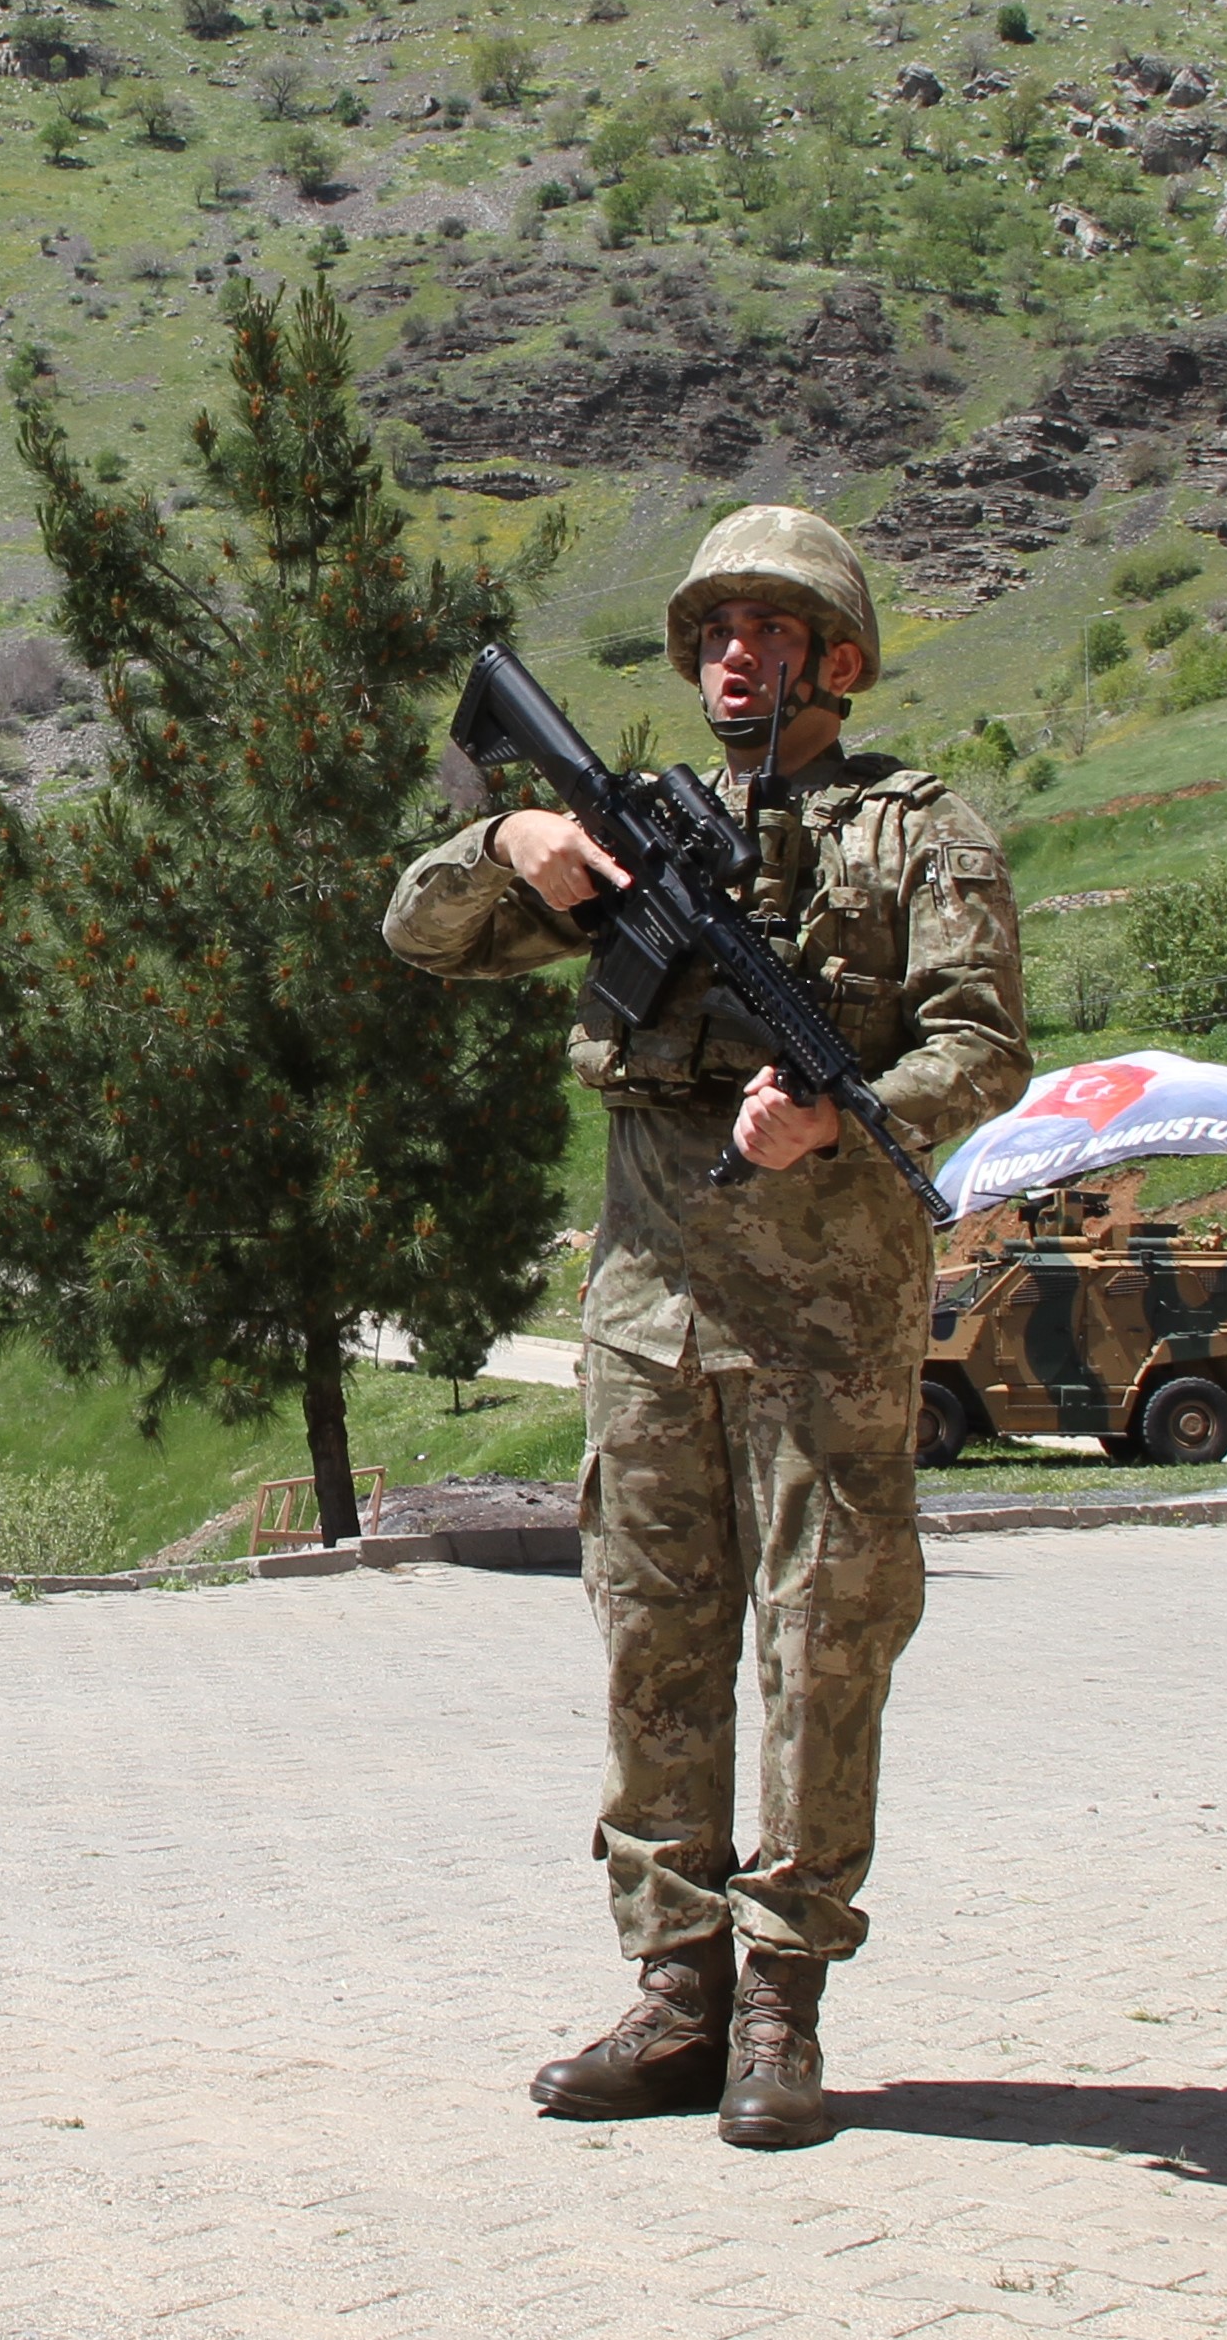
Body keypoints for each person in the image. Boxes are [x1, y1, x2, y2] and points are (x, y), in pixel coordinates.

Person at [379, 505, 1028, 2148]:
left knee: (825, 1649)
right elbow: (419, 935)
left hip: (827, 1326)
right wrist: (507, 842)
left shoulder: (917, 833)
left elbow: (984, 1045)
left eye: (770, 628)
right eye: (714, 630)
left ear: (836, 661)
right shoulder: (633, 840)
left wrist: (847, 1112)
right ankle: (672, 1992)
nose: (735, 653)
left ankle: (778, 2006)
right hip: (651, 1318)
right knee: (655, 1647)